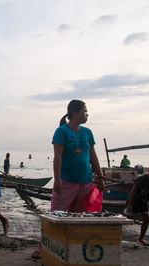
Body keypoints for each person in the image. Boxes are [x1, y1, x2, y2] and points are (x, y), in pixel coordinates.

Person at [31, 99, 106, 259]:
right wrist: (57, 179)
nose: (87, 114)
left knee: (77, 217)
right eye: (85, 111)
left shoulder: (87, 132)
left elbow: (93, 155)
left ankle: (71, 247)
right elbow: (57, 156)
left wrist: (100, 176)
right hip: (66, 182)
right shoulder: (61, 131)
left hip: (85, 182)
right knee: (55, 215)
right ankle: (42, 247)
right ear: (75, 112)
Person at [124, 161, 149, 246]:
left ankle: (141, 238)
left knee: (147, 219)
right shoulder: (142, 179)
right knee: (128, 218)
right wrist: (129, 205)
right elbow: (133, 191)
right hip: (133, 202)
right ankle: (122, 236)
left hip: (143, 204)